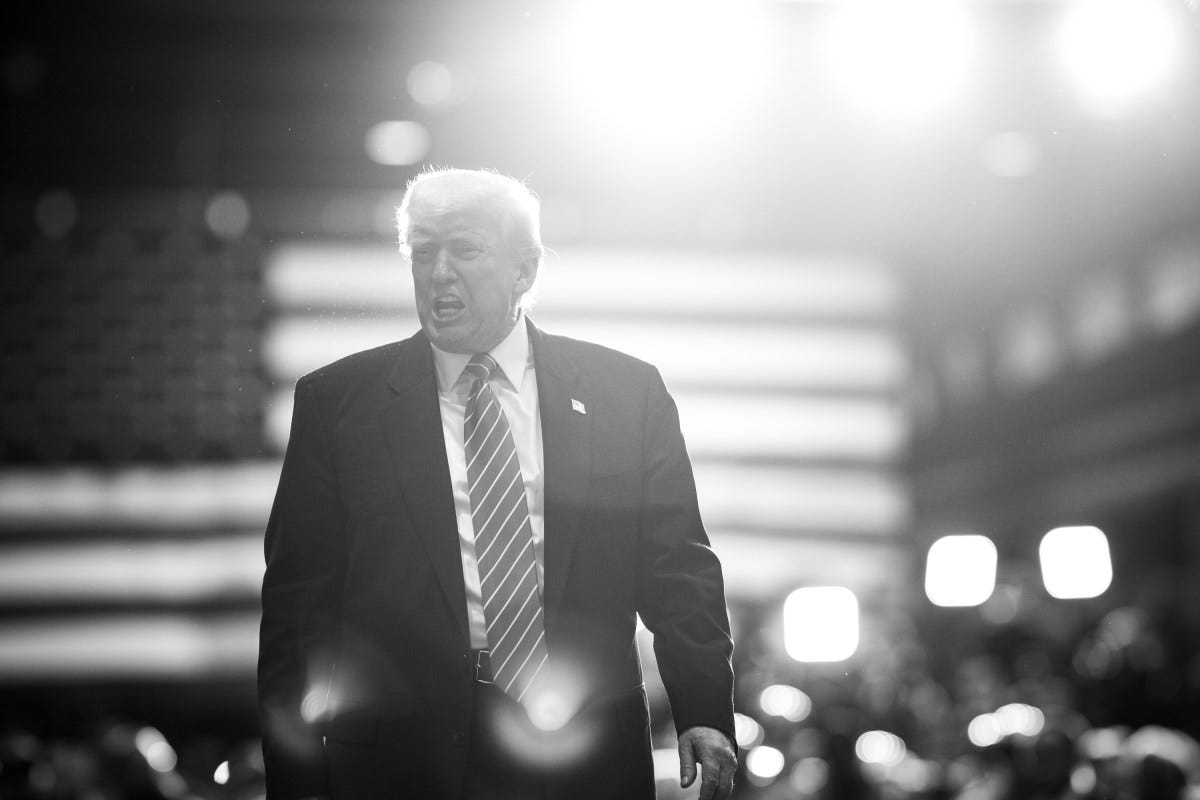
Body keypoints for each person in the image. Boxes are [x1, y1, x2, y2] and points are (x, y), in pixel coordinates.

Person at [258, 168, 737, 800]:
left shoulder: (628, 394)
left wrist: (703, 709)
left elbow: (677, 568)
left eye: (467, 250)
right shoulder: (336, 404)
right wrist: (294, 777)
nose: (439, 272)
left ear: (525, 270)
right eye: (423, 251)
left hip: (587, 756)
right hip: (401, 762)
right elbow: (299, 610)